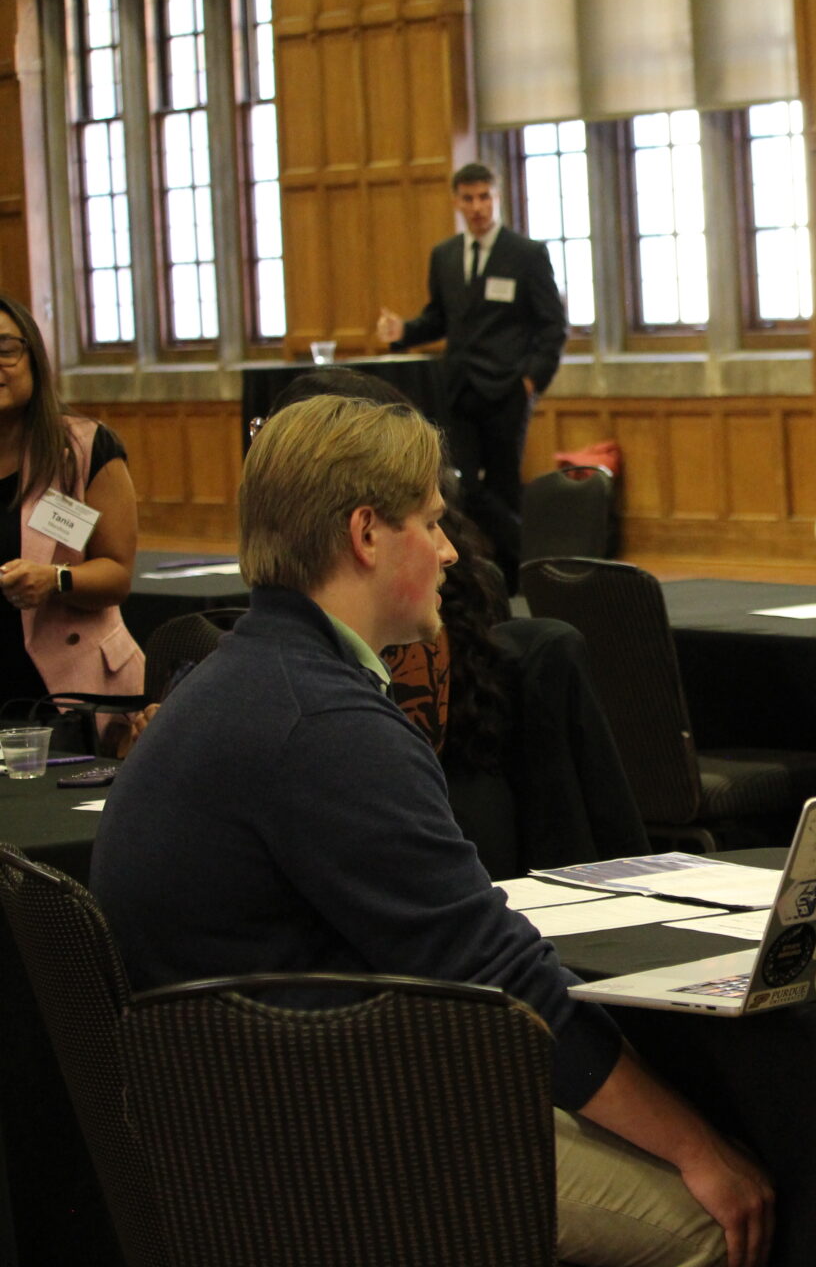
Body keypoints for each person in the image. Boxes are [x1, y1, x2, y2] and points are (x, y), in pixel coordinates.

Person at [91, 395, 771, 1267]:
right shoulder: (325, 724)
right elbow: (495, 979)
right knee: (714, 1217)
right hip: (319, 1144)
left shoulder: (237, 680)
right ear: (367, 534)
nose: (451, 551)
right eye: (434, 522)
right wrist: (695, 1147)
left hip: (227, 1119)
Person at [377, 161, 567, 589]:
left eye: (485, 197)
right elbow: (439, 319)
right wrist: (403, 332)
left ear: (497, 197)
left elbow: (552, 325)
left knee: (502, 486)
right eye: (469, 198)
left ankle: (519, 577)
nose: (478, 206)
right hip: (457, 388)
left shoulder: (526, 254)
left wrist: (531, 381)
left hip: (507, 390)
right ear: (456, 201)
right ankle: (484, 570)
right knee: (458, 484)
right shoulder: (445, 255)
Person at [0, 293, 144, 717]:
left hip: (73, 692)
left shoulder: (83, 449)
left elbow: (116, 575)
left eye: (5, 350)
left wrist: (55, 579)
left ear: (33, 358)